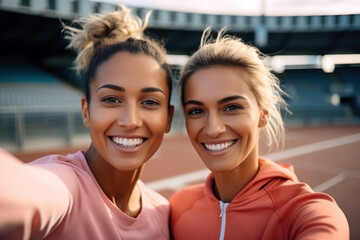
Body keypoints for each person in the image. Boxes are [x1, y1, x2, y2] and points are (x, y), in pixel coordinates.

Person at [0, 5, 174, 239]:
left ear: (169, 118)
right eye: (111, 99)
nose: (130, 121)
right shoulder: (65, 186)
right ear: (86, 112)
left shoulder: (163, 212)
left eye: (150, 102)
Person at [170, 28, 349, 240]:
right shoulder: (178, 206)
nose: (213, 129)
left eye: (232, 107)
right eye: (196, 111)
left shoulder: (304, 211)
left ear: (263, 114)